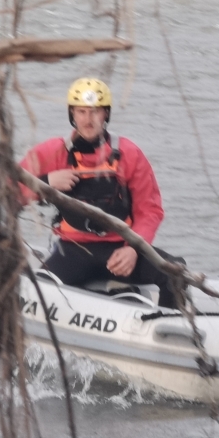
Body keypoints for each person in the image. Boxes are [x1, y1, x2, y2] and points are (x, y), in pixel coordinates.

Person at [19, 77, 184, 307]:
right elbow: (9, 189)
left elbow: (150, 210)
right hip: (73, 250)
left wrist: (133, 249)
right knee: (35, 292)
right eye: (82, 112)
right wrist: (46, 181)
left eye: (95, 112)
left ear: (105, 114)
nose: (88, 120)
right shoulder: (52, 152)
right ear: (72, 114)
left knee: (175, 274)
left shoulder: (129, 153)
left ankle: (171, 333)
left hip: (121, 250)